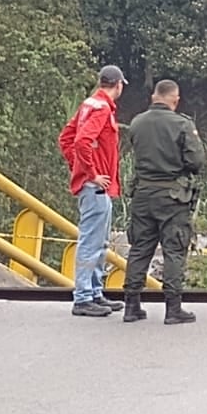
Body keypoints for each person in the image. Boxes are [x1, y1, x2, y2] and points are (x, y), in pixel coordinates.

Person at [121, 80, 206, 325]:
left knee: (139, 249)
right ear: (175, 99)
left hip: (143, 195)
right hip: (172, 197)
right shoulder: (182, 124)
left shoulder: (137, 123)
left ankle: (131, 306)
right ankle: (173, 308)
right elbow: (196, 161)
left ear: (153, 96)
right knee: (174, 250)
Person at [58, 65, 128, 318]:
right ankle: (85, 296)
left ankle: (95, 292)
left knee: (100, 241)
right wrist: (91, 173)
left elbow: (66, 138)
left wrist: (76, 166)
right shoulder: (102, 109)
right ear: (118, 84)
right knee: (91, 240)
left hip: (95, 185)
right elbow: (81, 141)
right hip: (96, 186)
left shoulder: (89, 104)